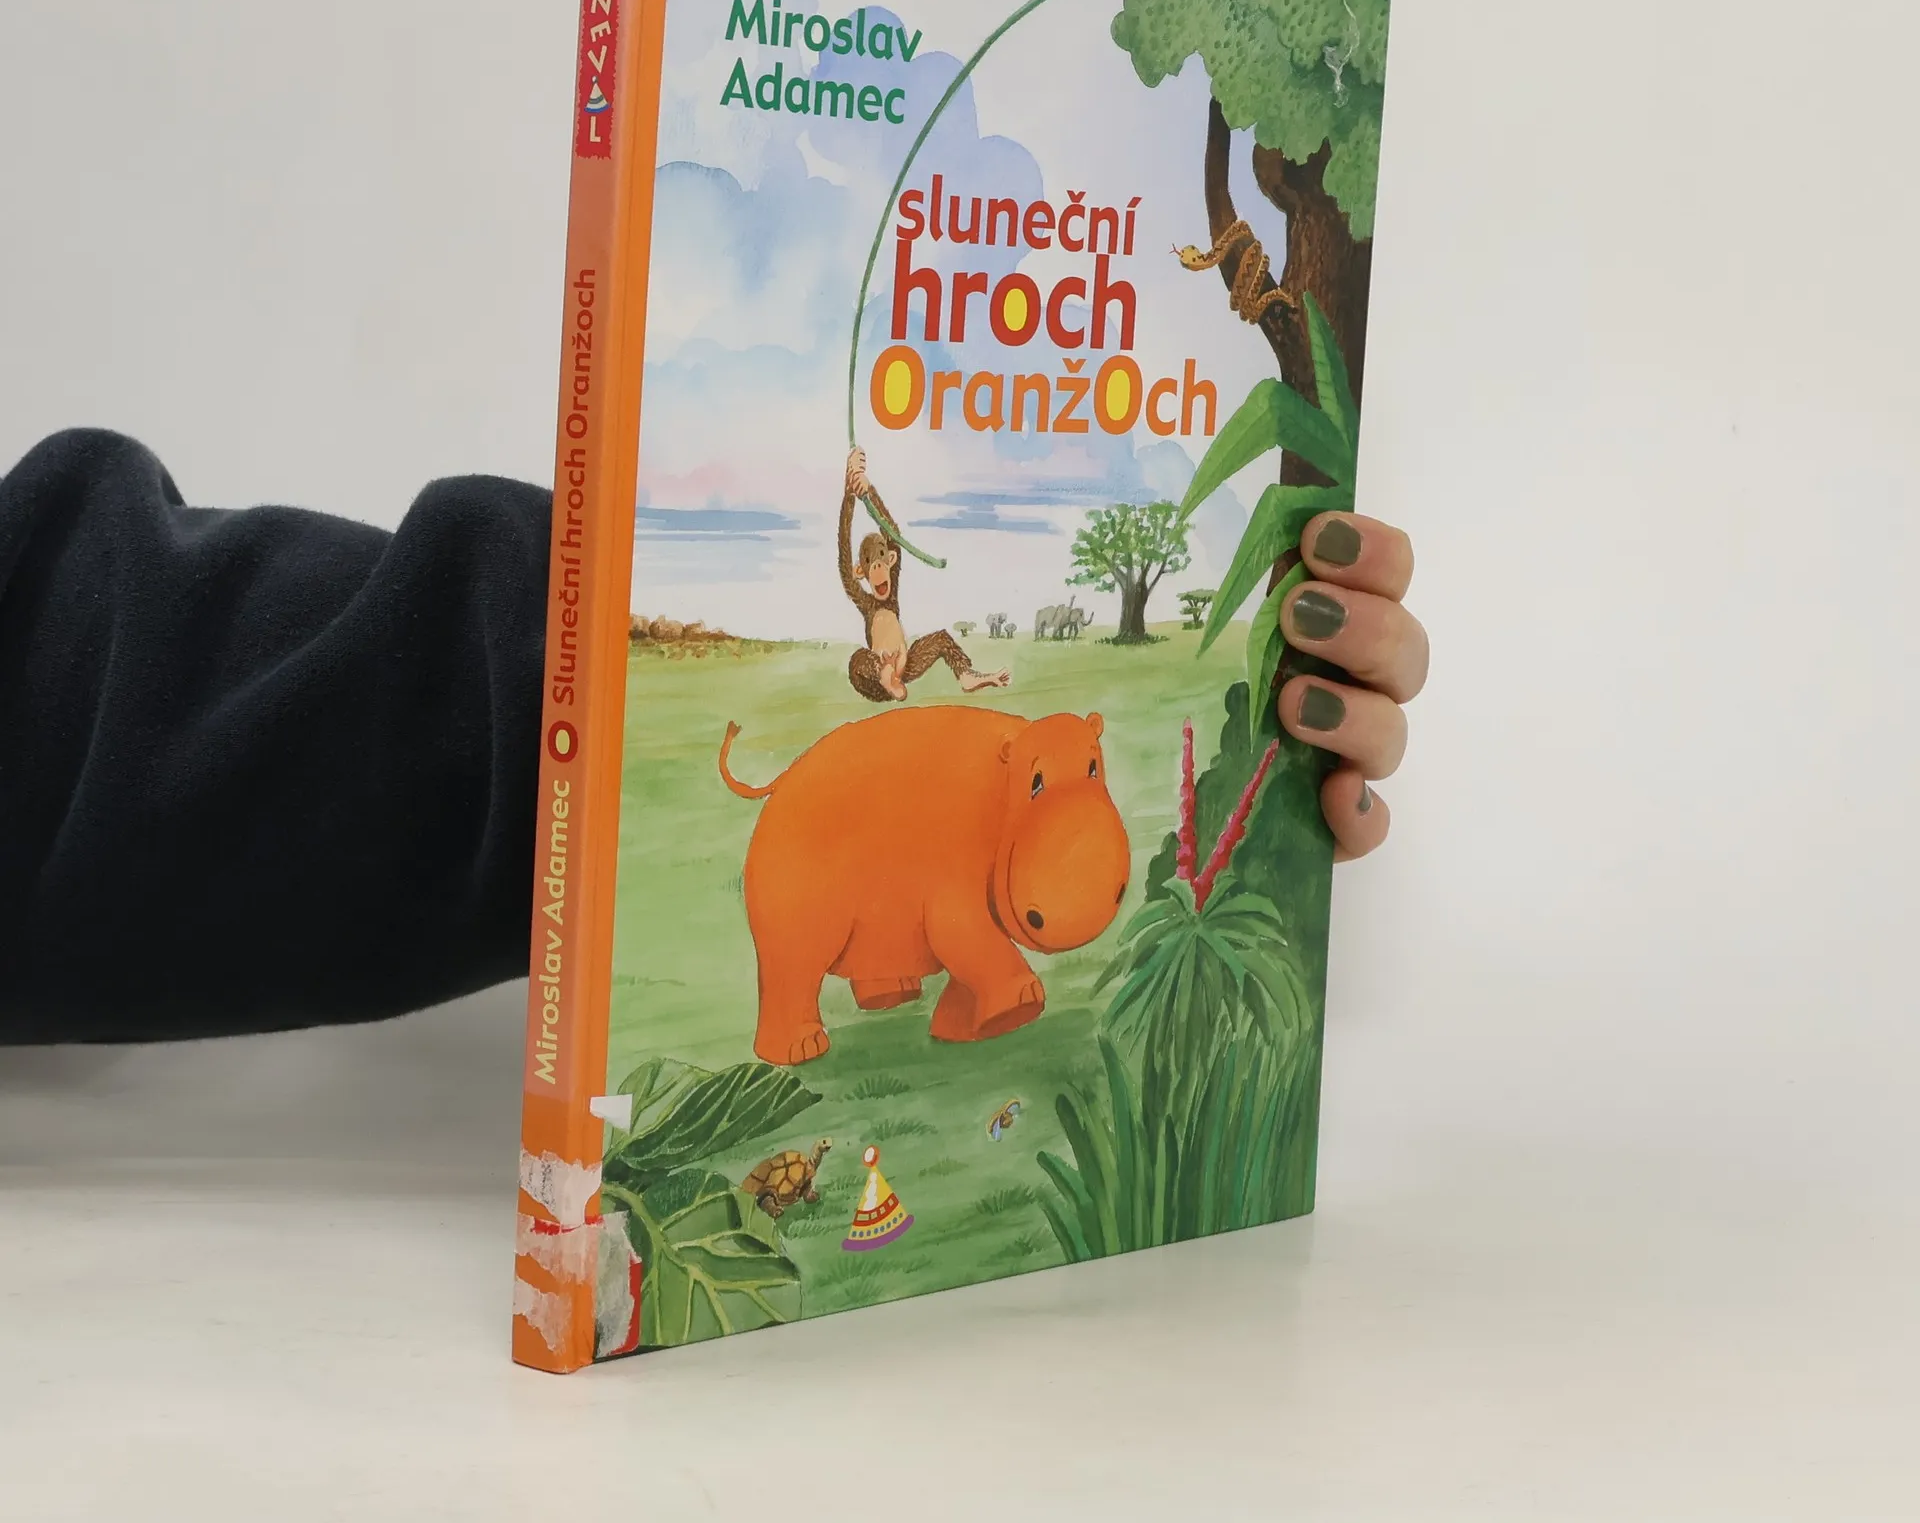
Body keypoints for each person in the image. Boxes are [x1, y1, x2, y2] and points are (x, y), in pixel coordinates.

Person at [0, 428, 1429, 1046]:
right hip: (854, 736)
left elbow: (63, 671)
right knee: (855, 874)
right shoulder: (870, 598)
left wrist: (578, 681)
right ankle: (808, 993)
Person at [839, 448, 1009, 702]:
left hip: (906, 666)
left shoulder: (891, 592)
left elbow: (892, 534)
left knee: (941, 639)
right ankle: (885, 674)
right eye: (871, 565)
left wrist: (868, 491)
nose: (878, 568)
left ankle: (965, 674)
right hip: (876, 679)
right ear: (860, 571)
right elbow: (844, 557)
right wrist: (849, 493)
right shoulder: (867, 604)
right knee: (856, 662)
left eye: (882, 561)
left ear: (891, 560)